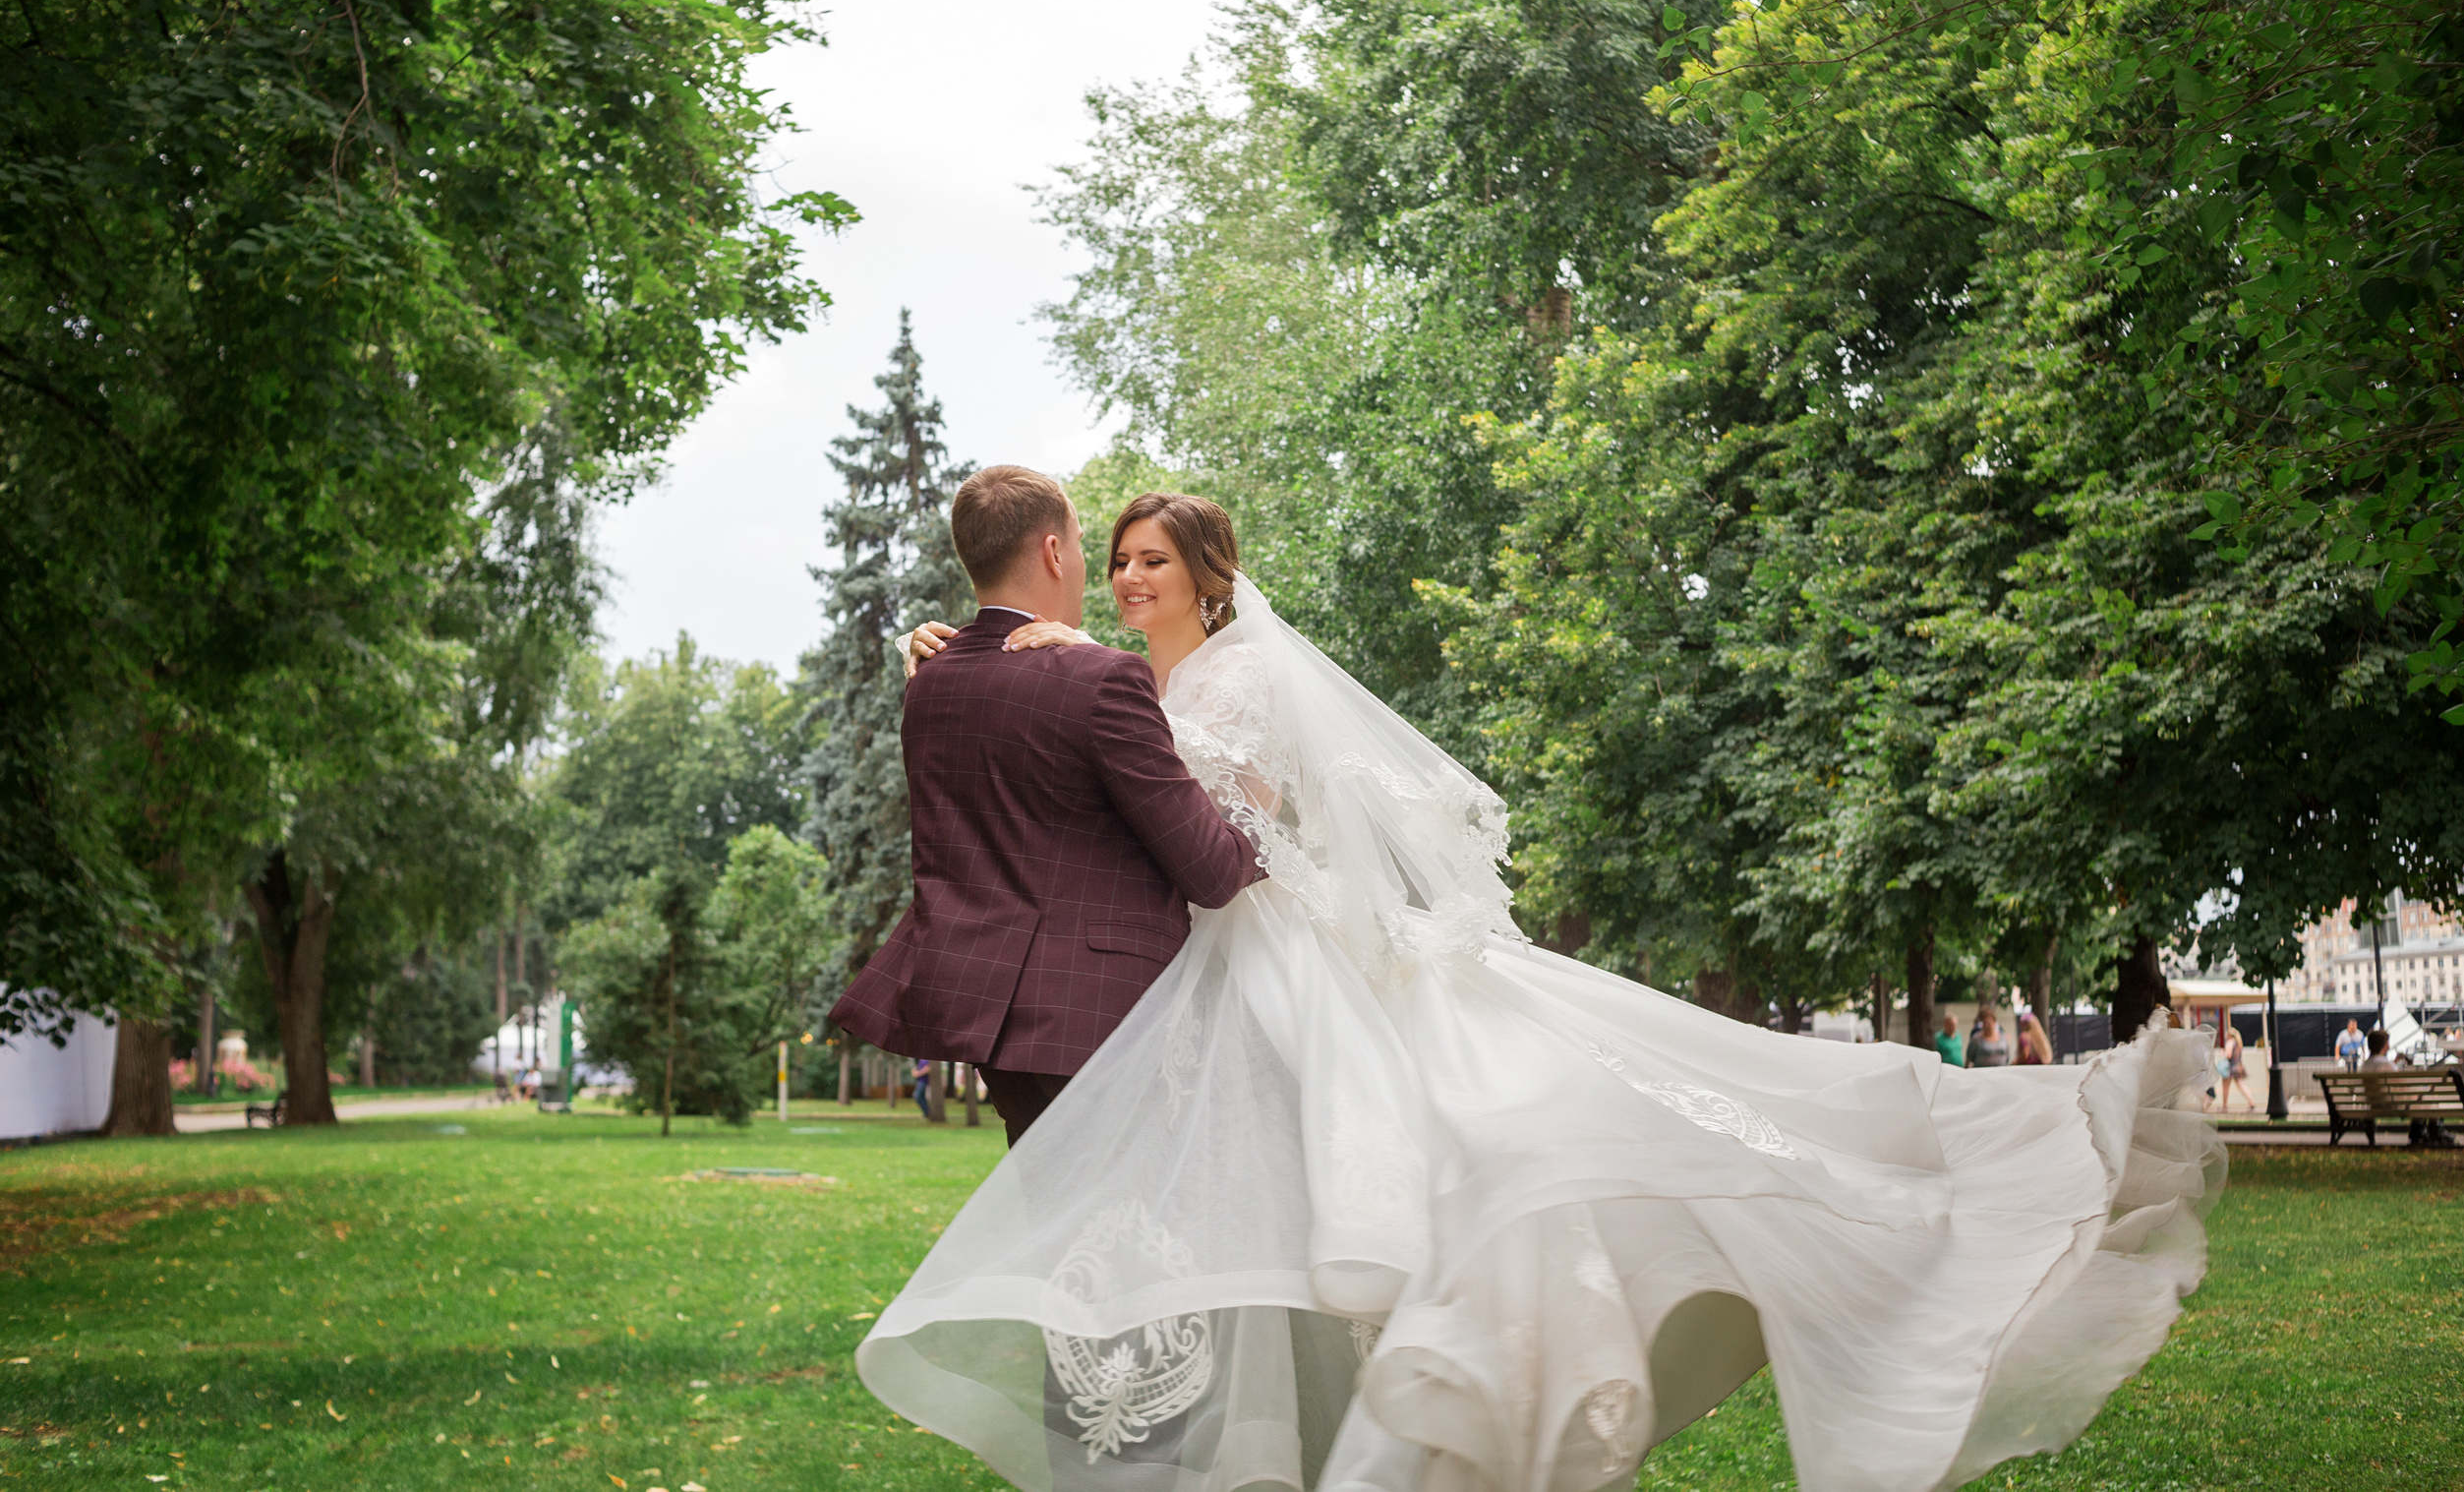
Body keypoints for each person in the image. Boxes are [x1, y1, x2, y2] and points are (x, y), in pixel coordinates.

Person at [867, 489, 2224, 1492]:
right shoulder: (1122, 677)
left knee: (1399, 1139)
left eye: (1152, 559)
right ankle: (1243, 1421)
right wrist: (999, 656)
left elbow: (1246, 816)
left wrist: (1045, 665)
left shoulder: (1237, 673)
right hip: (1195, 961)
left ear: (1210, 576)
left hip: (1272, 933)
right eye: (1115, 558)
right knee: (1265, 1189)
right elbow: (1103, 771)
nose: (1127, 575)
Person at [825, 467, 1263, 1148]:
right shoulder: (1106, 677)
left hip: (987, 1014)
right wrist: (1264, 844)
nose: (1117, 573)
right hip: (1104, 1007)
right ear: (1055, 552)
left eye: (1152, 560)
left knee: (1060, 1206)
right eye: (1102, 551)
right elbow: (1211, 870)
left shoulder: (928, 678)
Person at [2216, 1025, 2252, 1112]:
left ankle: (2224, 1105)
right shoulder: (2238, 1043)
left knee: (2225, 1087)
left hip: (2230, 1068)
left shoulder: (2230, 1042)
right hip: (2237, 1067)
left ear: (2229, 1035)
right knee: (2241, 1085)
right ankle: (2251, 1102)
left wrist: (2223, 1052)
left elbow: (2228, 1055)